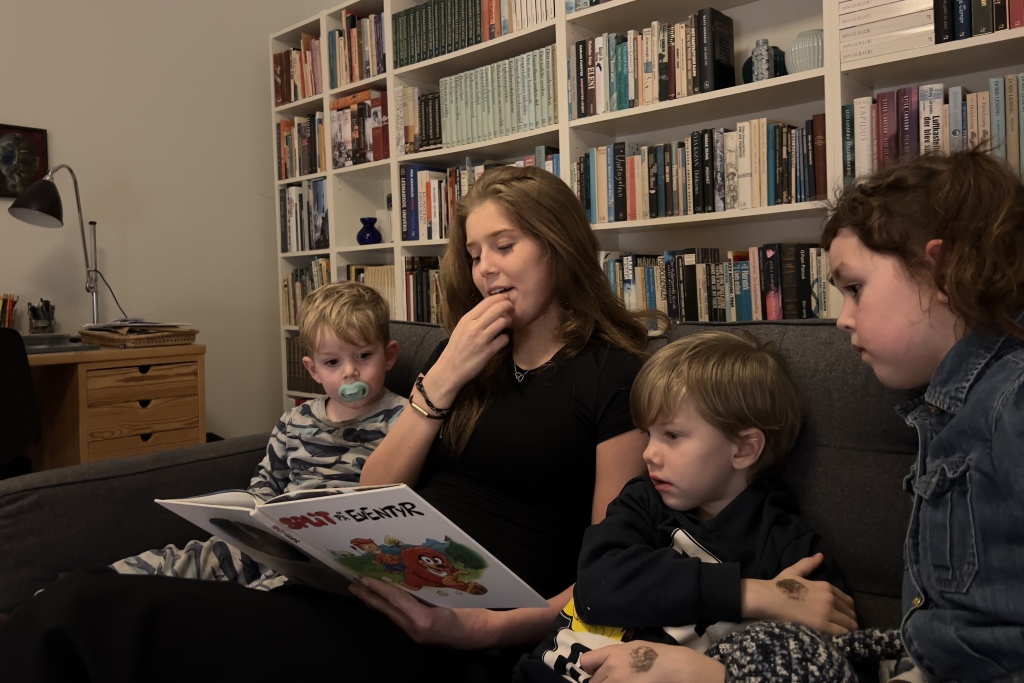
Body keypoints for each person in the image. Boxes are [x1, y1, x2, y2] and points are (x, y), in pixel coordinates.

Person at [0, 165, 654, 682]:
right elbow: (376, 487)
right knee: (82, 598)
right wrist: (443, 378)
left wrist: (481, 630)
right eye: (474, 251)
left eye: (504, 246)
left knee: (85, 615)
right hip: (370, 589)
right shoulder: (465, 359)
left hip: (458, 632)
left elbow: (611, 568)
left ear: (558, 243)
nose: (484, 268)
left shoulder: (612, 375)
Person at [514, 331, 858, 683]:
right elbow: (597, 584)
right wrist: (751, 594)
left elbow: (834, 660)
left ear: (743, 449)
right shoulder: (642, 501)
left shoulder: (791, 550)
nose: (649, 453)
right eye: (648, 434)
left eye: (672, 435)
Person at [820, 148, 1024, 681]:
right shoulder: (949, 409)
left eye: (854, 289)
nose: (842, 319)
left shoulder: (1013, 399)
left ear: (943, 271)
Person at [109, 280, 405, 589]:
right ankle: (109, 582)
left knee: (272, 588)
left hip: (338, 554)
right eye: (332, 362)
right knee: (204, 556)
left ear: (389, 355)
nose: (349, 372)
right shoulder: (295, 421)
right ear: (313, 370)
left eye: (363, 356)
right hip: (277, 538)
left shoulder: (404, 420)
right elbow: (267, 482)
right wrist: (256, 516)